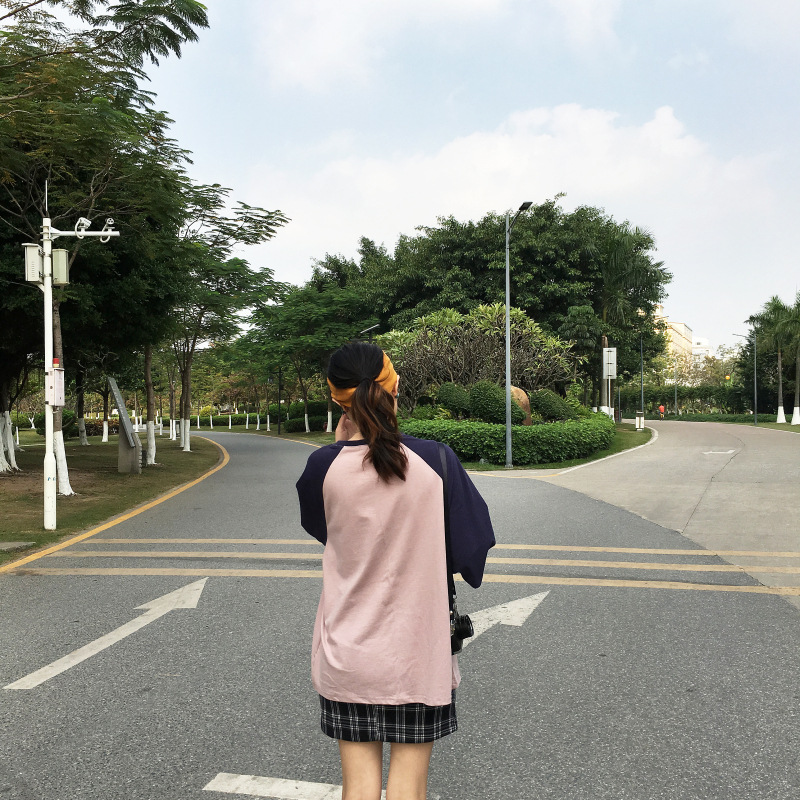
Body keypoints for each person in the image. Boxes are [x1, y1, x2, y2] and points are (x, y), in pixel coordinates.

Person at [296, 342, 495, 800]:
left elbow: (330, 533)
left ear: (336, 399)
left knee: (358, 786)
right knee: (409, 787)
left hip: (348, 654)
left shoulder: (322, 467)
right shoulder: (437, 461)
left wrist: (341, 447)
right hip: (416, 655)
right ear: (395, 387)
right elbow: (472, 554)